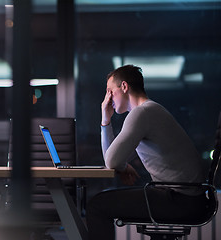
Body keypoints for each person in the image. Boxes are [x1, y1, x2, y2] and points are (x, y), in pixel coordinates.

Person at [86, 65, 208, 240]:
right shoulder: (151, 111)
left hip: (180, 200)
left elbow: (111, 161)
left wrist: (105, 120)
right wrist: (123, 164)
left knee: (96, 206)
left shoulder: (142, 113)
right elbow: (114, 159)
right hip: (190, 199)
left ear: (124, 87)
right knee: (101, 203)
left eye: (109, 91)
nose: (107, 98)